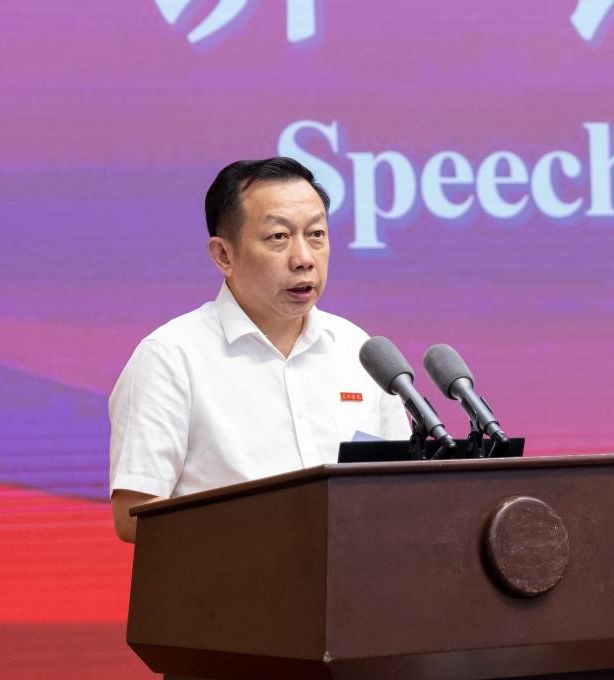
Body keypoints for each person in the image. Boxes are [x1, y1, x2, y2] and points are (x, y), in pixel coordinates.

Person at [109, 156, 409, 542]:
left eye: (316, 234)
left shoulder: (359, 351)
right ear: (224, 255)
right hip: (235, 579)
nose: (304, 259)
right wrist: (270, 530)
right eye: (278, 237)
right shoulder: (171, 357)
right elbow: (133, 515)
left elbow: (402, 487)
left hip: (353, 577)